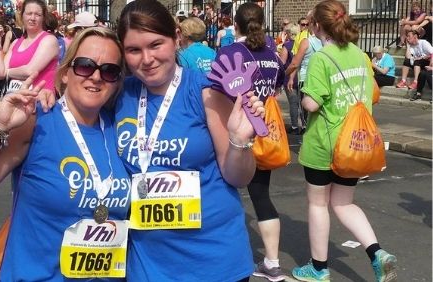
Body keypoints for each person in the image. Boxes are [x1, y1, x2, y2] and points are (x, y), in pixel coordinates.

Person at [0, 26, 131, 281]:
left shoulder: (120, 130)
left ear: (117, 82)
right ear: (66, 72)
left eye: (110, 70)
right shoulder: (37, 121)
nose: (96, 76)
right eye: (84, 66)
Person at [115, 0, 264, 280]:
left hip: (214, 261)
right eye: (134, 50)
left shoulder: (205, 89)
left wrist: (238, 141)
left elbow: (238, 177)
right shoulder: (120, 95)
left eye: (155, 44)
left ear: (176, 39)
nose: (146, 59)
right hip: (148, 265)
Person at [292, 1, 398, 281]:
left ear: (317, 26)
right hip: (355, 143)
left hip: (324, 144)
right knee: (343, 203)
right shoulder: (360, 55)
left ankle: (318, 268)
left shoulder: (322, 58)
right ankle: (377, 253)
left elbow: (312, 104)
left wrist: (304, 96)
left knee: (318, 204)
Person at [215, 3, 286, 281]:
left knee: (224, 192)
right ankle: (273, 261)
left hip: (231, 131)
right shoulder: (271, 55)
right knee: (260, 194)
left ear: (236, 26)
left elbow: (214, 89)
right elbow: (278, 87)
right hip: (261, 130)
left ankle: (223, 257)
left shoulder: (229, 52)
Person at [0, 0, 59, 95]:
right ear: (22, 16)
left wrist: (6, 72)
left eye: (38, 14)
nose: (33, 18)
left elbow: (30, 71)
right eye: (29, 13)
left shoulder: (49, 40)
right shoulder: (15, 43)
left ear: (43, 18)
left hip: (39, 102)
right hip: (15, 104)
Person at [285, 11, 322, 134]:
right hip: (318, 78)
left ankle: (307, 127)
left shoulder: (306, 41)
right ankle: (312, 127)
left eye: (307, 23)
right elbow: (297, 62)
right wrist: (291, 78)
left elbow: (295, 63)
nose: (305, 26)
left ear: (312, 24)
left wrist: (284, 75)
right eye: (303, 24)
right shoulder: (326, 41)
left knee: (306, 106)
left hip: (307, 78)